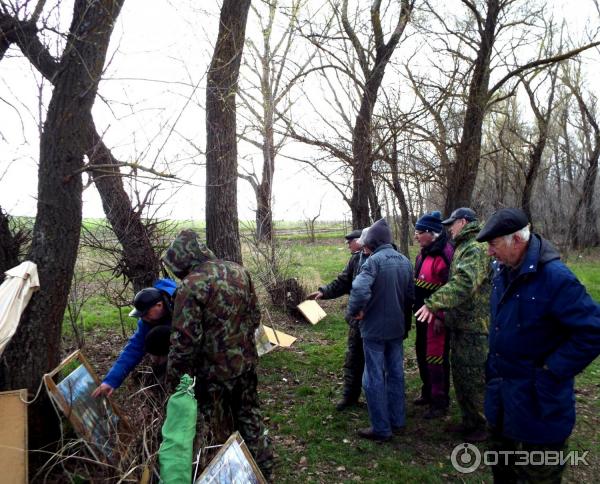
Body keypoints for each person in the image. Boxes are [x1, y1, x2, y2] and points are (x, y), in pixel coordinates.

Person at [476, 208, 600, 483]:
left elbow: (593, 330)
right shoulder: (503, 272)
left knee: (537, 476)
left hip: (539, 405)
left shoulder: (556, 278)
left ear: (516, 241)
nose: (489, 253)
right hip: (502, 398)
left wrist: (552, 368)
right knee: (503, 470)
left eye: (493, 245)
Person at [162, 229, 274, 479]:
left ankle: (231, 475)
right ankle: (264, 467)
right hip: (245, 364)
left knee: (217, 428)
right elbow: (255, 317)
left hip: (212, 375)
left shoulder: (190, 287)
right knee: (250, 415)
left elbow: (184, 341)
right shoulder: (239, 272)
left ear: (182, 260)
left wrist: (175, 381)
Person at [415, 207, 490, 442]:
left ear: (464, 222)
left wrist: (434, 305)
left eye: (452, 223)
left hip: (475, 326)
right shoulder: (463, 247)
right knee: (463, 377)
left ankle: (481, 425)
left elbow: (463, 282)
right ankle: (470, 421)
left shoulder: (475, 248)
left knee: (473, 379)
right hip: (460, 323)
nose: (449, 228)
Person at [347, 218, 414, 442]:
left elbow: (358, 288)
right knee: (395, 374)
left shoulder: (373, 262)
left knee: (373, 377)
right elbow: (410, 297)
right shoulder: (405, 261)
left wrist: (356, 311)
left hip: (374, 331)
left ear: (373, 242)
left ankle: (381, 428)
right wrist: (404, 324)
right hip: (396, 329)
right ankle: (398, 421)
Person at [307, 228, 368, 411]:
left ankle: (381, 401)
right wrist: (324, 291)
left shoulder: (379, 258)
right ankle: (350, 397)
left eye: (350, 241)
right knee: (353, 359)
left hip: (374, 321)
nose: (348, 245)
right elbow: (343, 281)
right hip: (356, 322)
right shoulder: (355, 259)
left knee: (377, 363)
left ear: (360, 241)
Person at [92, 279, 177, 398]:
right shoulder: (146, 322)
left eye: (146, 313)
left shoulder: (182, 304)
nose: (143, 317)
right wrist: (111, 381)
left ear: (159, 305)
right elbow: (133, 350)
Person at [412, 211, 454, 419]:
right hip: (421, 317)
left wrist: (441, 316)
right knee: (422, 354)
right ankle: (428, 392)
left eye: (419, 232)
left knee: (436, 358)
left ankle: (440, 402)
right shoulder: (422, 254)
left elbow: (452, 289)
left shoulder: (445, 254)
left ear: (432, 233)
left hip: (437, 320)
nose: (416, 236)